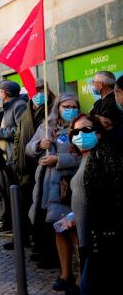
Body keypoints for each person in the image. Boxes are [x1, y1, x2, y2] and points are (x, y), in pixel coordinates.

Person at [25, 93, 81, 270]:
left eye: (74, 107)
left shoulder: (81, 126)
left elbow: (83, 156)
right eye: (67, 107)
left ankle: (72, 267)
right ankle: (49, 256)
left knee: (65, 225)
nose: (71, 110)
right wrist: (39, 145)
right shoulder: (47, 126)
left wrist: (59, 159)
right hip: (44, 182)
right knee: (46, 221)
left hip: (66, 184)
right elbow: (29, 148)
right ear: (58, 107)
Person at [51, 114, 103, 292]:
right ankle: (69, 276)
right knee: (59, 227)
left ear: (98, 133)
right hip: (83, 227)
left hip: (95, 234)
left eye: (86, 130)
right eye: (76, 131)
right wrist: (73, 215)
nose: (81, 134)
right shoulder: (85, 156)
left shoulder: (100, 158)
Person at [82, 81, 123, 294]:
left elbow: (112, 186)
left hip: (107, 225)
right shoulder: (93, 152)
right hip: (98, 224)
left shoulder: (106, 152)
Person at [4, 79, 53, 251]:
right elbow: (19, 135)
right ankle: (22, 237)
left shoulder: (52, 109)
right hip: (25, 164)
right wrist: (17, 157)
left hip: (42, 164)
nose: (38, 93)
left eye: (41, 89)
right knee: (23, 204)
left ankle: (39, 244)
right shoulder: (27, 109)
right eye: (34, 90)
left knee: (39, 206)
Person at [0, 80, 28, 237]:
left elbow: (20, 130)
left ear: (5, 93)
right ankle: (8, 223)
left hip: (13, 156)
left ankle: (18, 229)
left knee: (14, 194)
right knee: (5, 192)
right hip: (3, 154)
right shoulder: (4, 107)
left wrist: (0, 132)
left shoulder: (19, 105)